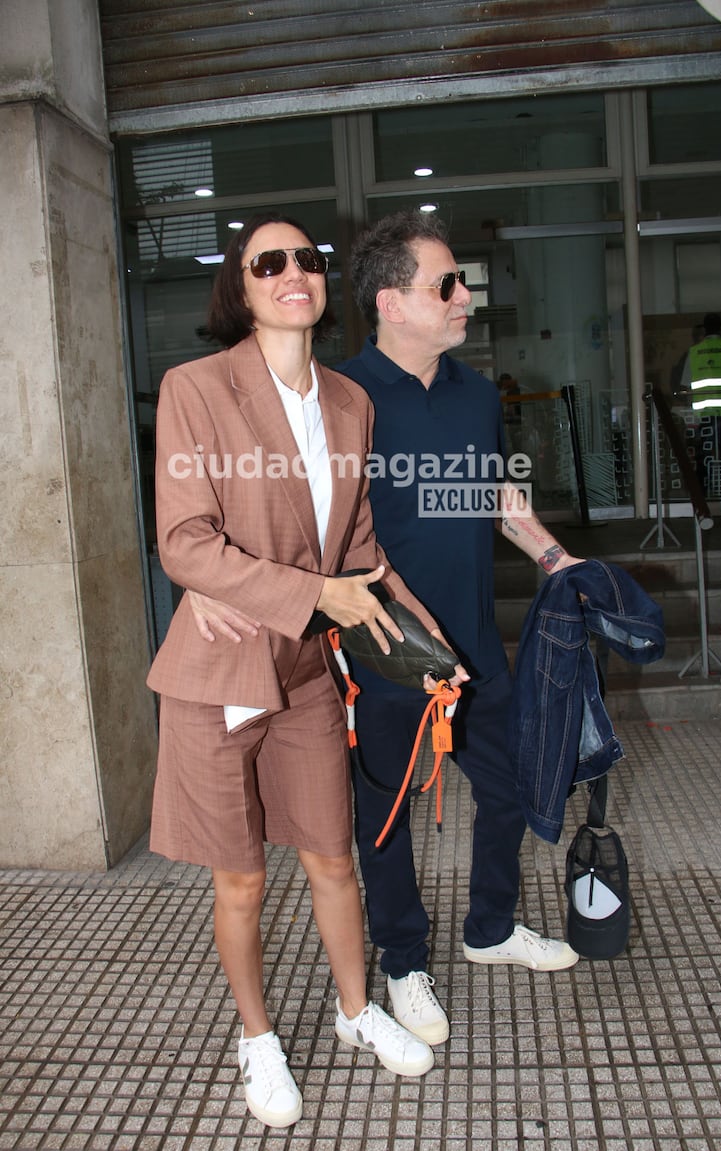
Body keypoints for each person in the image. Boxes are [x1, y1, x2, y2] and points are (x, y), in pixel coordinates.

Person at [189, 210, 584, 1049]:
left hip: (472, 638)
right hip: (385, 645)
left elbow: (491, 498)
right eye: (446, 284)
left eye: (460, 282)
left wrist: (559, 562)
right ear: (390, 302)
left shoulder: (478, 393)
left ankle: (489, 925)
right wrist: (216, 582)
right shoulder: (346, 395)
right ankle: (403, 961)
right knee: (383, 812)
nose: (463, 297)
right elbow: (285, 521)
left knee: (507, 784)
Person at [147, 211, 465, 1129]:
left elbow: (357, 550)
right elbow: (184, 541)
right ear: (241, 288)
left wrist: (417, 627)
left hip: (306, 670)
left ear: (324, 285)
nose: (295, 272)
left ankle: (355, 1011)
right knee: (240, 875)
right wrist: (312, 594)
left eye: (309, 260)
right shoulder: (196, 389)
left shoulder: (348, 403)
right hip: (221, 672)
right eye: (269, 261)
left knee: (334, 851)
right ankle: (256, 1038)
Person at [679, 312, 721, 464]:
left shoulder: (694, 352)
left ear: (705, 329)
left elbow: (685, 385)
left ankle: (704, 487)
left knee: (703, 455)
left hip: (704, 414)